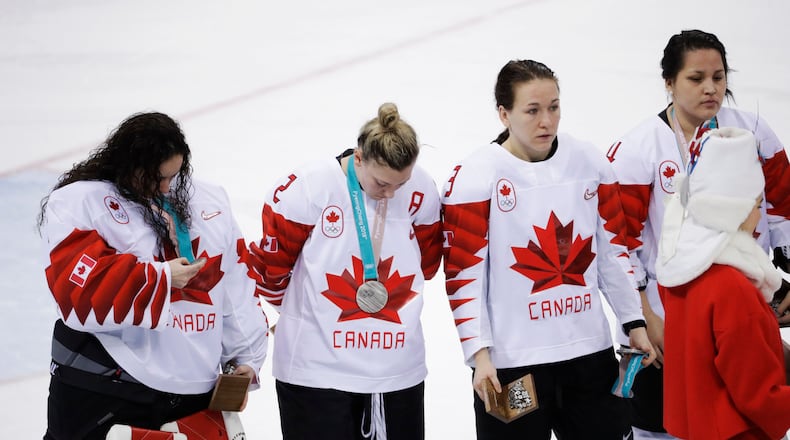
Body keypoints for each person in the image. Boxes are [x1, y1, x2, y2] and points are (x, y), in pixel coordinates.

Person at [440, 59, 655, 439]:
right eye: (533, 110)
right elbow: (464, 277)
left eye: (554, 107)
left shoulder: (589, 162)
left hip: (588, 360)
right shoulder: (476, 177)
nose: (547, 122)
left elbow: (611, 252)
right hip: (514, 369)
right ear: (503, 114)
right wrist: (480, 356)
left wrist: (633, 323)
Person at [38, 112, 269, 440]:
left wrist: (245, 357)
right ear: (127, 163)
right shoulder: (80, 201)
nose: (164, 187)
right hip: (108, 387)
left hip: (192, 394)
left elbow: (234, 285)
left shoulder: (210, 200)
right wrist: (160, 278)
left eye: (172, 175)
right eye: (154, 177)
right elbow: (76, 294)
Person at [605, 29, 790, 438]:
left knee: (741, 406)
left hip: (740, 307)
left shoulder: (753, 132)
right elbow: (617, 243)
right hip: (672, 314)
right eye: (696, 78)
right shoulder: (639, 149)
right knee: (663, 422)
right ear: (668, 82)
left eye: (719, 77)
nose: (711, 88)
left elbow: (782, 207)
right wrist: (644, 317)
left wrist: (780, 281)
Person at [246, 102, 443, 440]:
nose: (392, 193)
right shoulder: (308, 188)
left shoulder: (421, 189)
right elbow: (270, 272)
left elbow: (428, 264)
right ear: (359, 157)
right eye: (383, 183)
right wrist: (301, 312)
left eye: (401, 182)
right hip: (316, 374)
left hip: (394, 373)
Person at [655, 126, 790, 439]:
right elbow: (759, 396)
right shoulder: (734, 290)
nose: (759, 217)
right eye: (757, 205)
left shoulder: (677, 269)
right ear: (734, 209)